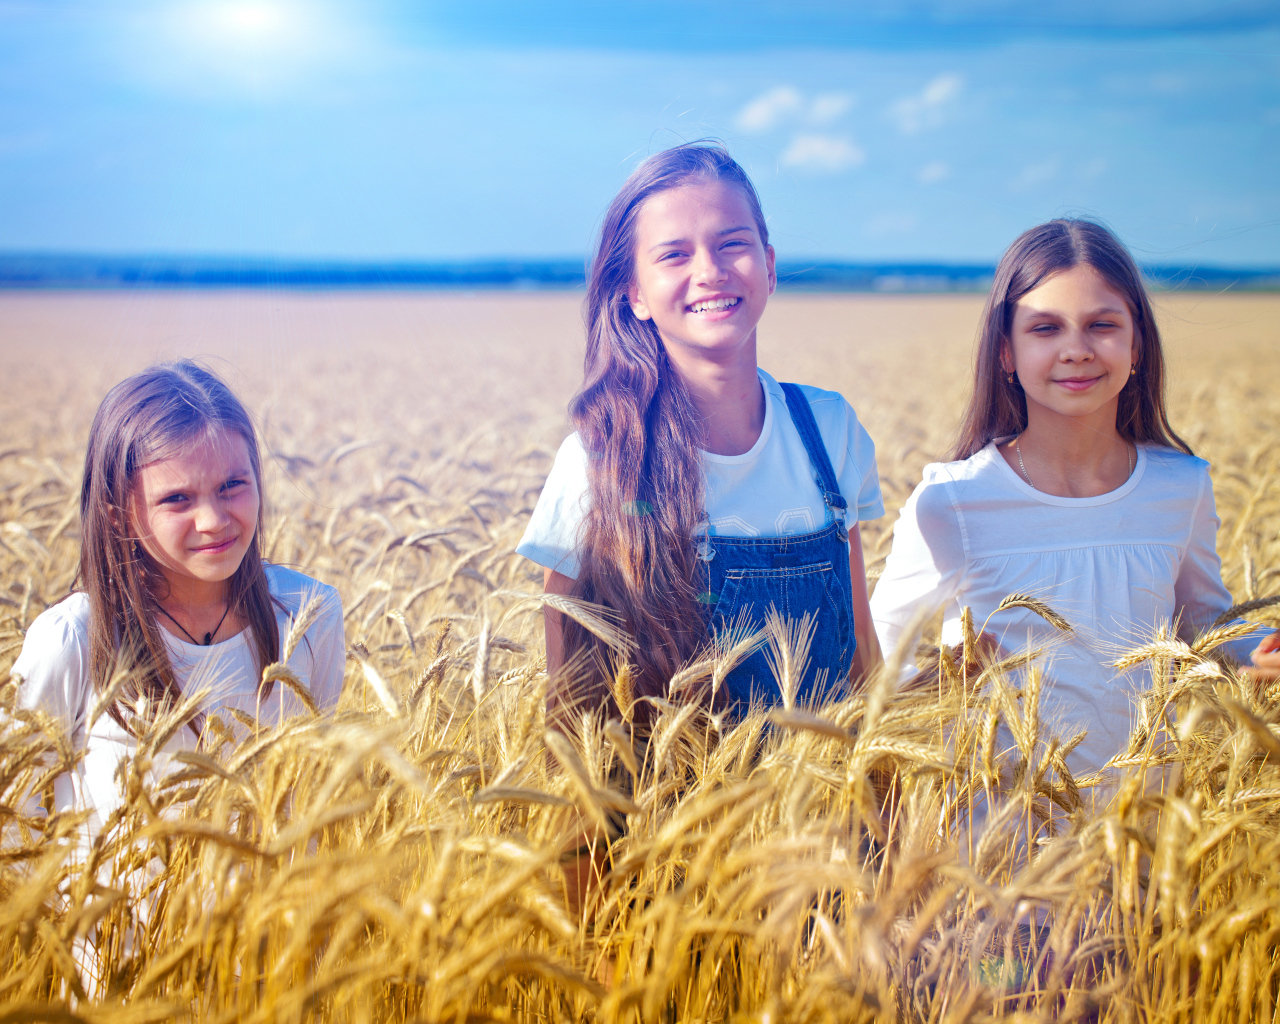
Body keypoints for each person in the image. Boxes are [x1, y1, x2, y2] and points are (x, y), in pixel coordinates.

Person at [870, 219, 1280, 776]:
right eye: (1045, 329)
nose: (1076, 350)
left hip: (1143, 828)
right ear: (1005, 353)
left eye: (1101, 325)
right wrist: (933, 685)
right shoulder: (952, 503)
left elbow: (1200, 623)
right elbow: (876, 668)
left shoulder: (1181, 487)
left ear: (1136, 345)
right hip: (993, 836)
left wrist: (1254, 651)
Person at [517, 141, 884, 723]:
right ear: (634, 293)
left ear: (769, 264)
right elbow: (570, 705)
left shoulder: (829, 430)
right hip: (672, 809)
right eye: (674, 255)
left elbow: (862, 656)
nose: (709, 272)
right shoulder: (599, 460)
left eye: (731, 244)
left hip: (830, 809)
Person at [12, 361, 346, 836]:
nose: (213, 519)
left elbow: (314, 793)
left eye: (232, 485)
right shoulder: (73, 641)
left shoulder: (309, 615)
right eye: (177, 499)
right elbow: (12, 821)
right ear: (117, 515)